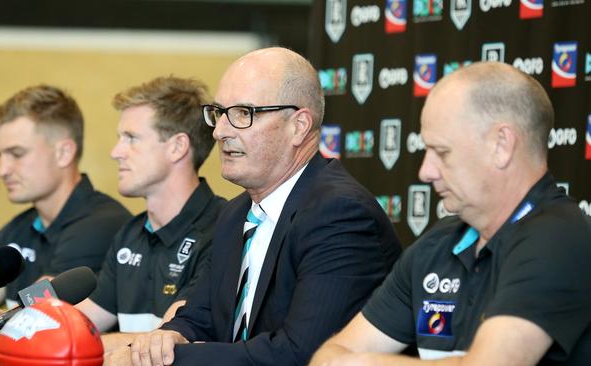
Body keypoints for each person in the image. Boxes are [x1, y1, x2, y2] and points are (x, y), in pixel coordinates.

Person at [120, 47, 402, 366]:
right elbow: (198, 316)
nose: (220, 131)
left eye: (243, 113)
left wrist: (172, 360)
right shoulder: (234, 214)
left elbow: (300, 354)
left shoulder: (340, 214)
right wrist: (167, 338)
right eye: (219, 112)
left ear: (298, 125)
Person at [310, 62, 591, 366]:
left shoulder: (561, 239)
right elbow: (330, 356)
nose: (425, 171)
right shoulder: (436, 246)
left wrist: (365, 364)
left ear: (502, 145)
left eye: (442, 152)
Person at [75, 76, 226, 352]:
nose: (115, 152)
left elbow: (167, 343)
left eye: (131, 138)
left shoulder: (223, 227)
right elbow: (79, 324)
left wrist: (75, 342)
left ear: (178, 147)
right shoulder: (130, 234)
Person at [0, 85, 132, 310]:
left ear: (64, 153)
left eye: (16, 154)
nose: (2, 170)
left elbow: (37, 311)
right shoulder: (14, 230)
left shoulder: (103, 223)